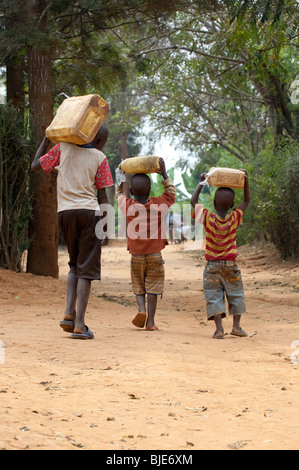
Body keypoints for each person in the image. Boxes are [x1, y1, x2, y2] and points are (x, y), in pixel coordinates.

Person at [31, 124, 114, 340]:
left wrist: (46, 139)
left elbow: (35, 166)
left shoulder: (62, 149)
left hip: (65, 213)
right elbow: (102, 194)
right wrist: (105, 226)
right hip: (89, 214)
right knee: (86, 269)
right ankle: (79, 324)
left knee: (74, 265)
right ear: (100, 140)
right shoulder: (99, 157)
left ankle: (69, 312)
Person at [116, 158, 176, 331]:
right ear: (150, 190)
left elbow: (119, 194)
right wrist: (164, 174)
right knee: (153, 287)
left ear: (132, 191)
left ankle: (141, 310)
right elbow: (171, 193)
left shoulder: (128, 206)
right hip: (155, 255)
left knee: (138, 284)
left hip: (136, 255)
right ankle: (150, 322)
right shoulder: (158, 204)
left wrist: (121, 178)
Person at [191, 171, 251, 339]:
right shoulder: (234, 218)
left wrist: (201, 183)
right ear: (232, 205)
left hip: (212, 266)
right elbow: (247, 200)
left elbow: (193, 201)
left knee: (213, 296)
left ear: (213, 203)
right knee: (236, 293)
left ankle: (219, 330)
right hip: (230, 265)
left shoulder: (208, 219)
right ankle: (237, 327)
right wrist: (246, 181)